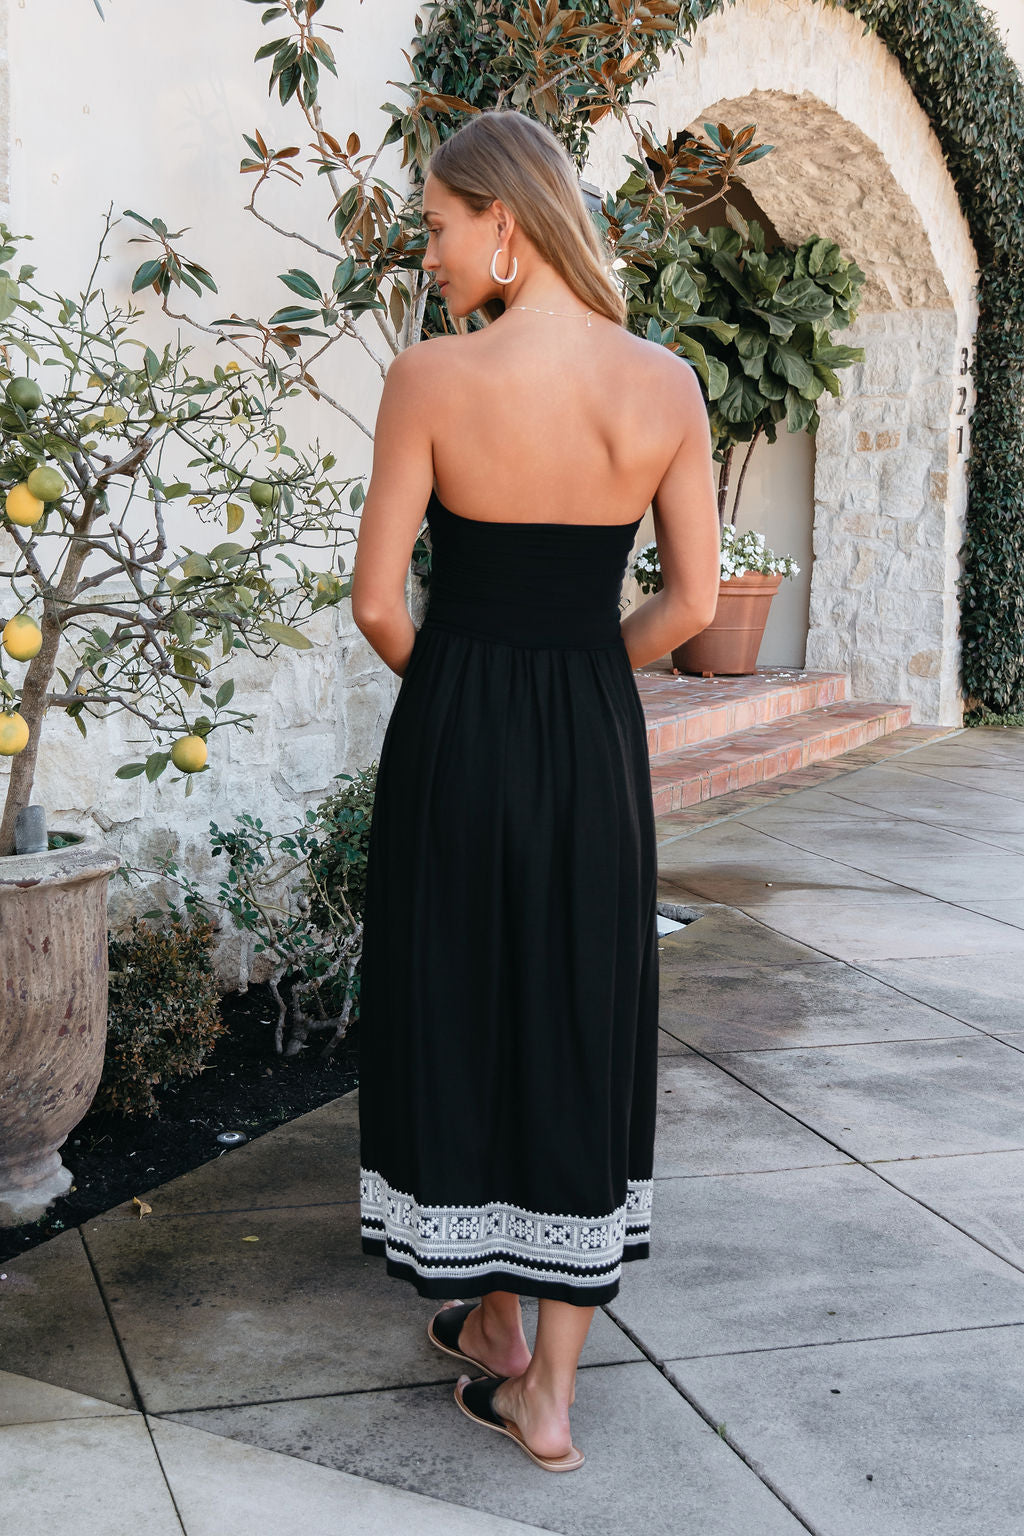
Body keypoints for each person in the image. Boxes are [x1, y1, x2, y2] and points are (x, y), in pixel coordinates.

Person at [351, 108, 720, 1474]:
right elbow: (687, 601)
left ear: (504, 221)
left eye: (440, 227)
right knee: (573, 1007)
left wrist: (466, 695)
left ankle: (497, 1322)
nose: (432, 253)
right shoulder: (666, 385)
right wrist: (578, 674)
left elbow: (381, 605)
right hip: (594, 739)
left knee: (464, 997)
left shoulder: (431, 380)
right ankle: (534, 1370)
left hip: (457, 737)